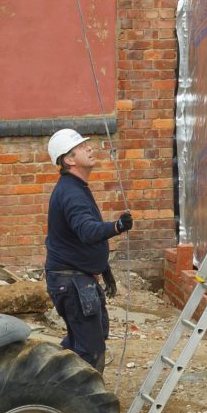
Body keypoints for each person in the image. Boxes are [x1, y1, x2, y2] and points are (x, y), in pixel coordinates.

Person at [44, 128, 132, 369]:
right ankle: (78, 400)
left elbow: (78, 239)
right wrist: (117, 226)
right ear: (69, 160)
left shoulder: (75, 187)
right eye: (81, 147)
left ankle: (52, 382)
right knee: (89, 351)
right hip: (71, 283)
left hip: (75, 279)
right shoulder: (71, 193)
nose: (89, 148)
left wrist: (103, 269)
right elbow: (87, 231)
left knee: (87, 338)